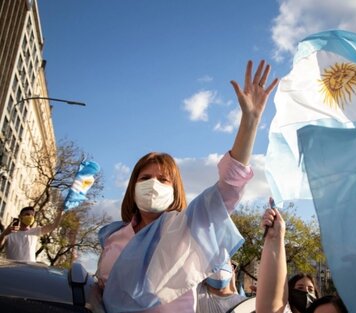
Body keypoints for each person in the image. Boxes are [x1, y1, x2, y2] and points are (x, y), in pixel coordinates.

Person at [96, 60, 278, 313]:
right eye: (145, 178)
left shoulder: (185, 229)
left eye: (162, 180)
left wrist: (250, 121)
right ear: (132, 186)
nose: (153, 185)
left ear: (174, 190)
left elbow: (228, 188)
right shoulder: (113, 237)